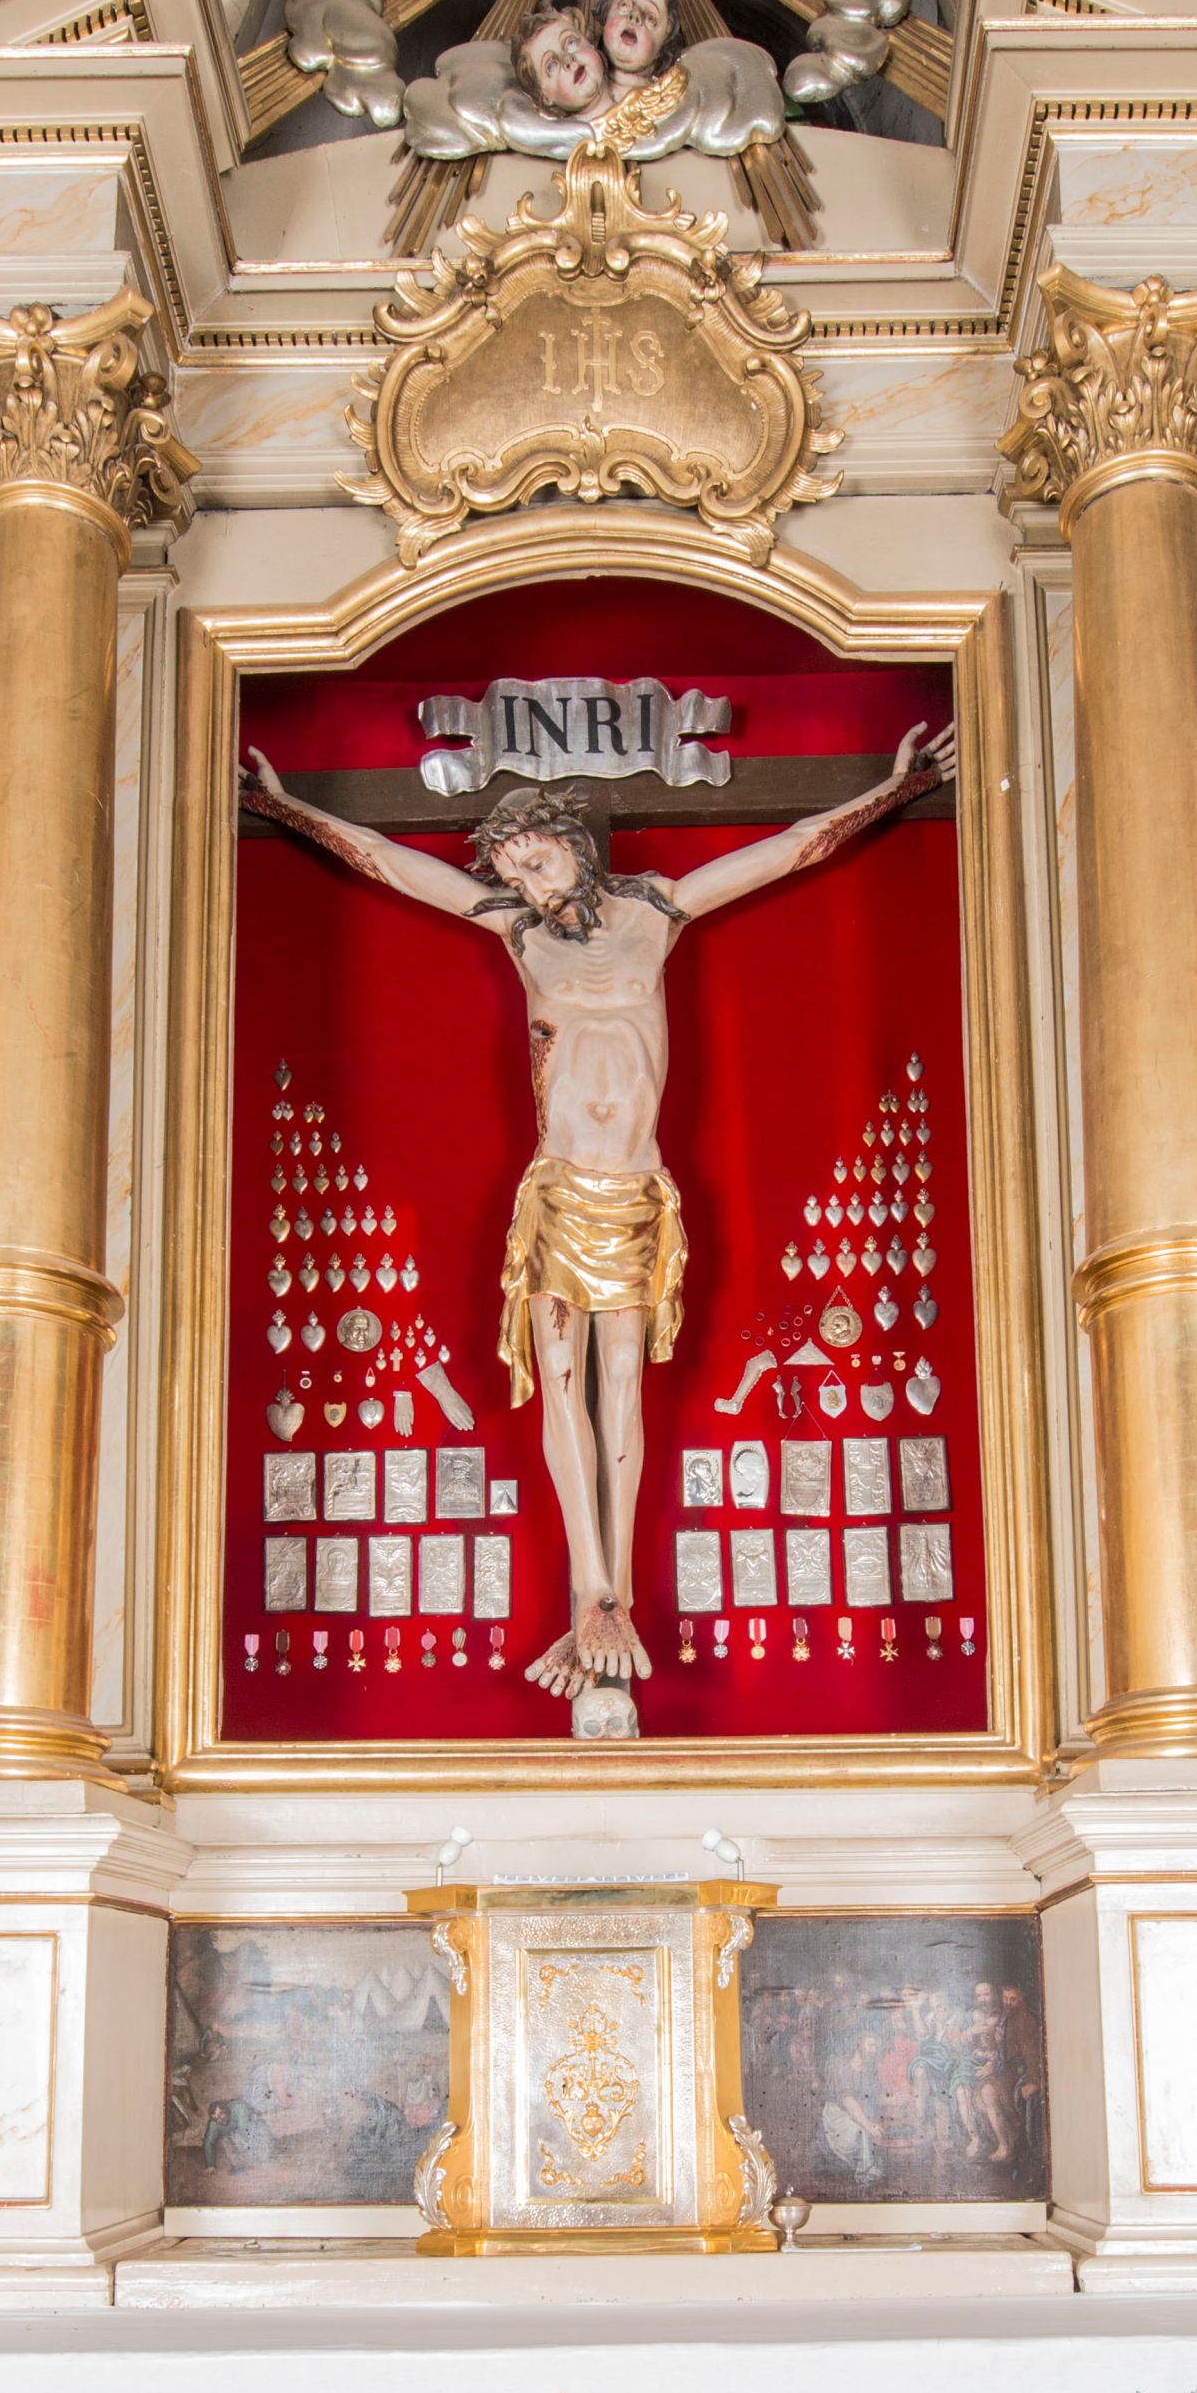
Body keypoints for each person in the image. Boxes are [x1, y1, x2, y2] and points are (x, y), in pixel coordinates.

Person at [241, 732, 952, 1709]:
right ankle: (593, 1589)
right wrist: (285, 807)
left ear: (572, 843)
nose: (527, 886)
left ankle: (608, 1599)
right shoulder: (516, 931)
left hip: (637, 1190)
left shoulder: (658, 911)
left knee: (623, 1385)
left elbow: (790, 848)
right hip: (558, 1188)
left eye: (534, 862)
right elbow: (387, 861)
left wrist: (895, 788)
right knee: (560, 1384)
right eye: (511, 875)